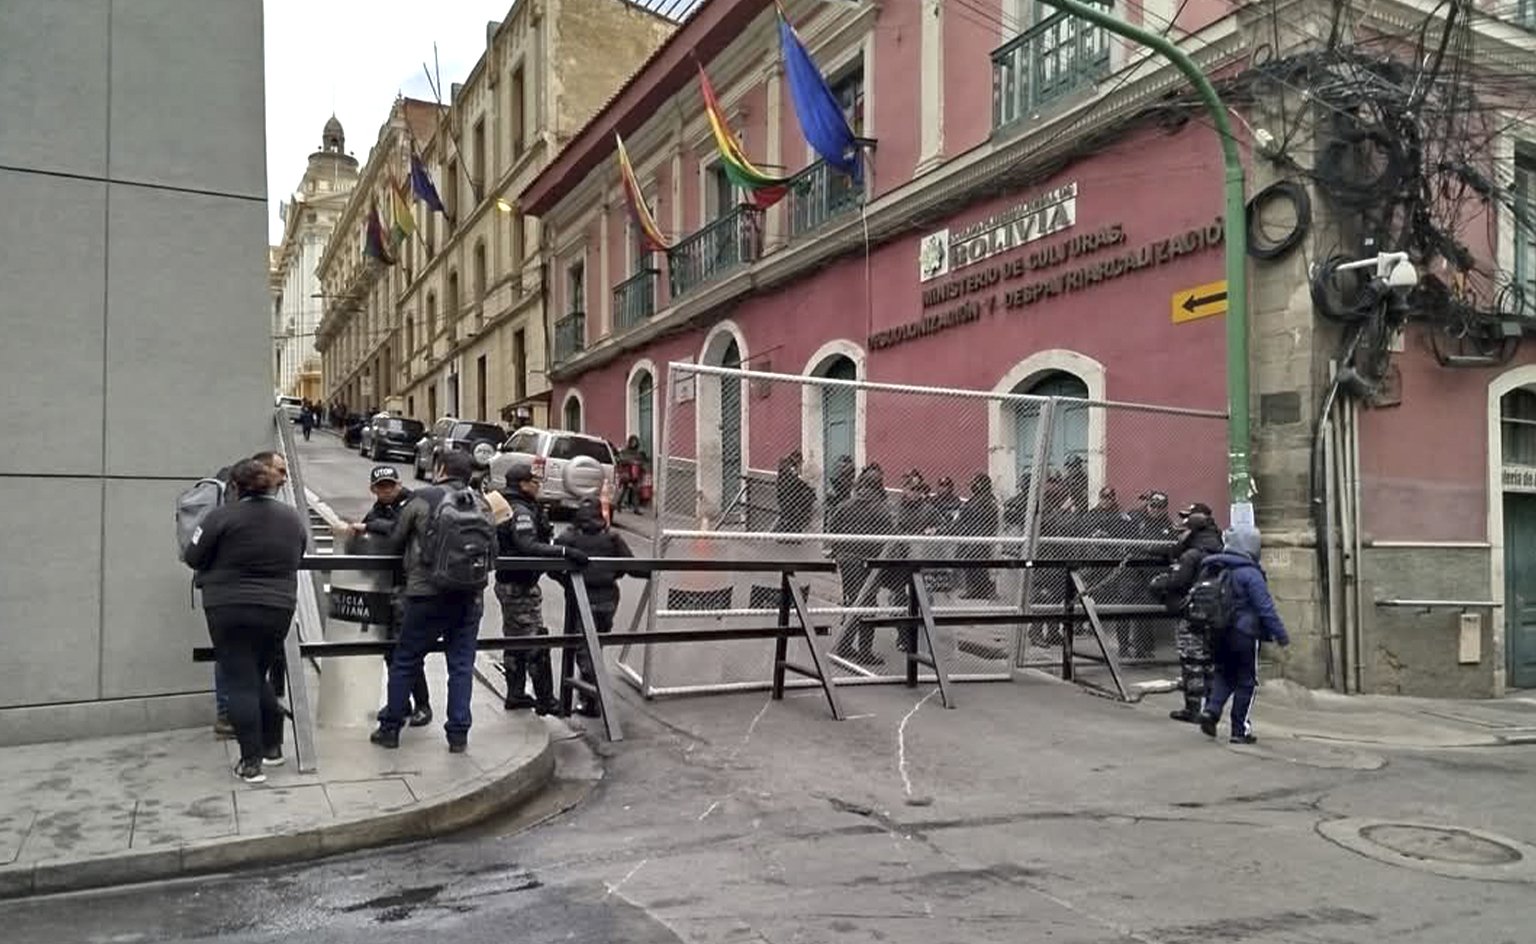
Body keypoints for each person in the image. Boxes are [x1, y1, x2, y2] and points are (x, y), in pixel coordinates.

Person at [184, 459, 308, 783]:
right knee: (255, 675)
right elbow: (299, 556)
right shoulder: (291, 518)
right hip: (278, 608)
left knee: (240, 680)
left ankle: (251, 762)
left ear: (235, 487)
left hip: (228, 607)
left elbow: (192, 556)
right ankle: (273, 747)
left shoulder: (221, 516)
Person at [369, 450, 497, 752]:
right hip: (469, 596)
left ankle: (390, 729)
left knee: (406, 660)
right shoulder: (482, 503)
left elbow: (395, 540)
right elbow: (493, 551)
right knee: (461, 666)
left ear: (440, 470)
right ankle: (458, 735)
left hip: (425, 594)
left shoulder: (423, 498)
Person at [343, 466, 432, 727]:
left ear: (398, 484)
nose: (386, 490)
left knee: (406, 649)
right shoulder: (377, 509)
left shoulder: (412, 504)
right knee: (390, 650)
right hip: (385, 586)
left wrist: (368, 526)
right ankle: (400, 701)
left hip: (407, 587)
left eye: (390, 485)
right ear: (373, 489)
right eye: (381, 486)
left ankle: (422, 703)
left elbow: (397, 529)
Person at [497, 462, 587, 714]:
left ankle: (515, 694)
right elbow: (527, 545)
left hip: (512, 582)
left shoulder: (511, 505)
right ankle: (545, 699)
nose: (538, 486)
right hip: (519, 585)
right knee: (537, 641)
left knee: (515, 640)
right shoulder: (520, 511)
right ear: (523, 484)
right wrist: (564, 552)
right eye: (534, 481)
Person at [1195, 529, 1290, 744]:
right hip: (1244, 632)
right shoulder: (1250, 573)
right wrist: (1281, 636)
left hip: (1216, 631)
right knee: (1246, 681)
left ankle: (1211, 710)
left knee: (1223, 673)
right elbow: (1265, 608)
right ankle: (1239, 730)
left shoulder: (1214, 567)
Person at [557, 498, 636, 716]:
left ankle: (592, 699)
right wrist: (613, 575)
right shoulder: (612, 538)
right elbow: (631, 565)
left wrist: (567, 582)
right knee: (595, 645)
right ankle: (588, 697)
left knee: (583, 649)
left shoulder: (569, 537)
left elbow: (551, 564)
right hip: (608, 599)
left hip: (581, 598)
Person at [1149, 503, 1225, 721]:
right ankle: (1211, 709)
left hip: (1191, 613)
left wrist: (1162, 583)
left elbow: (1178, 581)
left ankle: (1193, 709)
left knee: (1191, 661)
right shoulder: (1218, 546)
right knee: (1209, 661)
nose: (1180, 533)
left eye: (1184, 528)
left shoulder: (1192, 554)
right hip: (1215, 613)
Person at [829, 466, 894, 665]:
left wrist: (838, 552)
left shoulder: (846, 505)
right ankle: (865, 651)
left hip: (847, 559)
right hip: (868, 561)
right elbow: (889, 536)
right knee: (868, 604)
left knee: (852, 600)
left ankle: (844, 645)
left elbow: (833, 528)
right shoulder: (881, 509)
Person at [954, 473, 999, 600]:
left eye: (974, 484)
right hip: (971, 535)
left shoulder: (987, 501)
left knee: (979, 564)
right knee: (971, 563)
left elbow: (983, 522)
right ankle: (974, 589)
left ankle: (981, 590)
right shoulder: (976, 500)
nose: (972, 487)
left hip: (980, 537)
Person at [774, 450, 816, 534]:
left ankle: (784, 533)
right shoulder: (789, 468)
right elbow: (795, 481)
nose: (801, 465)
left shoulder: (787, 467)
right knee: (789, 517)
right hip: (789, 497)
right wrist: (805, 486)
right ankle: (786, 533)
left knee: (787, 517)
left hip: (787, 496)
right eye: (800, 462)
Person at [615, 435, 649, 514]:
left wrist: (641, 466)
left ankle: (636, 508)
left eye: (635, 442)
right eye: (633, 442)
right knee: (624, 489)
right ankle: (618, 504)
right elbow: (621, 459)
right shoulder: (625, 452)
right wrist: (629, 462)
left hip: (635, 474)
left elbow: (642, 462)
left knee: (636, 490)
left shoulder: (637, 453)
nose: (634, 444)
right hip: (626, 473)